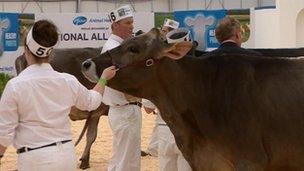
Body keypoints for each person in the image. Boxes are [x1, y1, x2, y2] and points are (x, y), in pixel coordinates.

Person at [0, 20, 116, 171]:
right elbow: (92, 101)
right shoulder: (67, 81)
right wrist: (103, 79)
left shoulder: (15, 86)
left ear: (26, 50)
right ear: (51, 52)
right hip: (65, 156)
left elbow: (4, 134)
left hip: (33, 159)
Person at [101, 5, 142, 171]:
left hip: (121, 110)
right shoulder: (114, 49)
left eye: (132, 22)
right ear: (115, 25)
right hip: (125, 110)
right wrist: (136, 96)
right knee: (127, 161)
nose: (132, 26)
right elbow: (123, 82)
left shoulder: (114, 46)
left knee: (120, 158)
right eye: (127, 23)